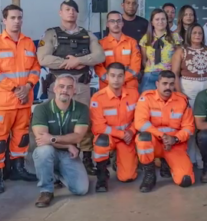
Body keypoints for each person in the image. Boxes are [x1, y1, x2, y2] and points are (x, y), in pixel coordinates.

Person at [38, 0, 105, 175]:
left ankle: (87, 159)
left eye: (74, 10)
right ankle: (57, 160)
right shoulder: (51, 34)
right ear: (60, 12)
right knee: (57, 123)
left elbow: (99, 56)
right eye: (67, 9)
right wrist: (67, 63)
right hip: (58, 85)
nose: (71, 12)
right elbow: (43, 59)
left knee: (85, 122)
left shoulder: (87, 34)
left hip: (81, 85)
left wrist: (79, 60)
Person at [0, 4, 40, 194]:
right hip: (3, 103)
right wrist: (16, 89)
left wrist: (28, 86)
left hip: (24, 101)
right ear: (4, 20)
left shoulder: (29, 43)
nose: (17, 21)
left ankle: (18, 168)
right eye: (13, 18)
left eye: (20, 17)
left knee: (22, 137)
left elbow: (35, 69)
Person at [31, 74, 91, 207]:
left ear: (74, 91)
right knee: (44, 151)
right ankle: (46, 190)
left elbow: (78, 136)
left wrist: (53, 138)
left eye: (69, 87)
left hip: (68, 154)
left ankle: (56, 173)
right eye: (61, 86)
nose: (65, 90)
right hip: (51, 150)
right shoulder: (41, 109)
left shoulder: (82, 109)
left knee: (81, 189)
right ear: (54, 89)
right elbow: (41, 138)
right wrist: (67, 145)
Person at [135, 71, 196, 192]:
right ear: (157, 84)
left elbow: (189, 127)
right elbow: (140, 123)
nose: (168, 87)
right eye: (164, 83)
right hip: (155, 143)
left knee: (186, 180)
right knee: (143, 139)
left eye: (171, 84)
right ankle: (149, 175)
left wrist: (175, 139)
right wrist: (162, 136)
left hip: (175, 145)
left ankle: (167, 163)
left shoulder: (182, 100)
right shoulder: (146, 98)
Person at [90, 63, 140, 192]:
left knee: (127, 177)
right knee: (101, 142)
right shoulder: (98, 98)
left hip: (127, 138)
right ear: (107, 76)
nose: (116, 80)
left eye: (120, 76)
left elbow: (139, 118)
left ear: (124, 77)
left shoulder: (134, 94)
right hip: (110, 137)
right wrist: (122, 134)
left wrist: (131, 131)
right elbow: (99, 127)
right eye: (112, 76)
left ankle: (119, 163)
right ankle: (102, 175)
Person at [94, 11, 141, 91]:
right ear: (107, 24)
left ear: (122, 23)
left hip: (129, 86)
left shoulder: (132, 42)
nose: (116, 24)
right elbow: (98, 67)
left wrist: (120, 79)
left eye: (118, 21)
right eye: (112, 21)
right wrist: (113, 81)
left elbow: (135, 66)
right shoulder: (101, 44)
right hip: (107, 87)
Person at [138, 9, 180, 94]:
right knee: (148, 103)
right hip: (150, 75)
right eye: (157, 19)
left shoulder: (175, 38)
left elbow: (179, 59)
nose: (160, 22)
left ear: (166, 21)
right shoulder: (146, 38)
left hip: (168, 76)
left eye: (163, 19)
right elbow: (143, 60)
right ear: (152, 22)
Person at [173, 25, 207, 101]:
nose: (197, 35)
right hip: (188, 90)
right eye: (194, 33)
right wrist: (180, 93)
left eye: (200, 33)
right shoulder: (181, 51)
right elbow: (175, 73)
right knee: (190, 112)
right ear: (189, 34)